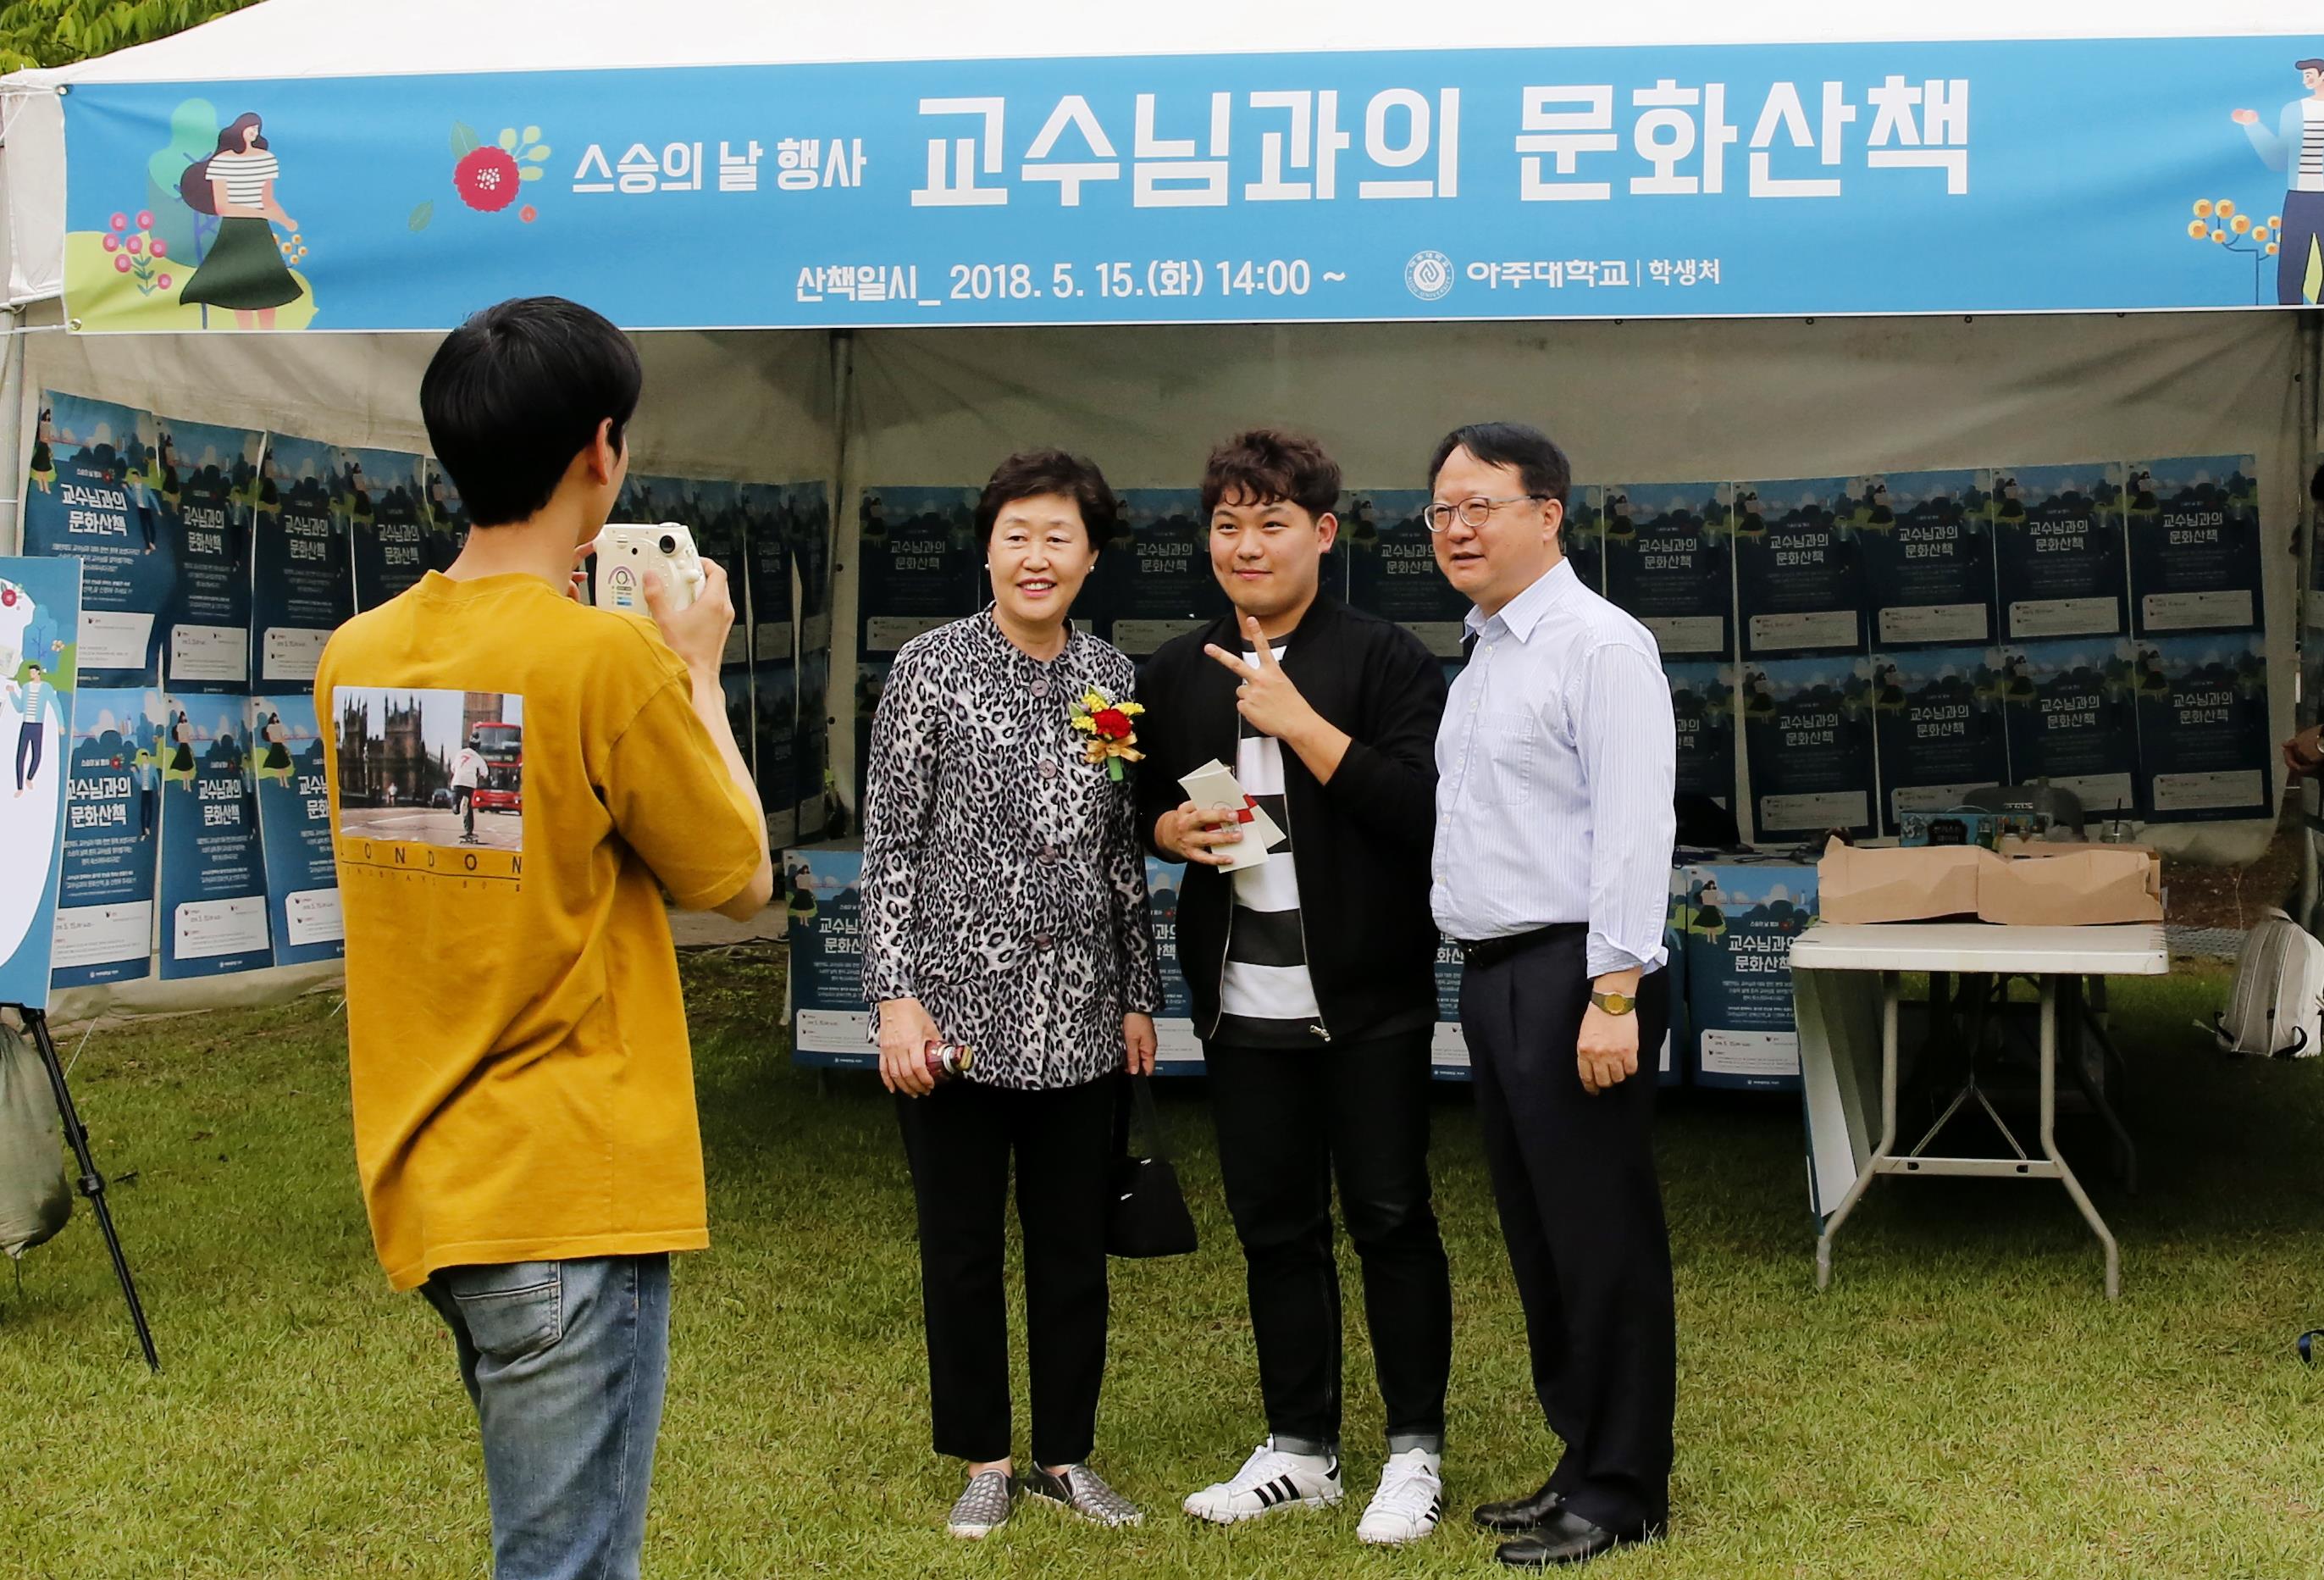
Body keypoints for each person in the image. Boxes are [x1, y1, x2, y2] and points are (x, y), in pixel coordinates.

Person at [313, 296, 772, 1580]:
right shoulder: (605, 662)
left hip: (438, 1173)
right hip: (566, 1183)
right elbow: (739, 876)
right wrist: (696, 673)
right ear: (601, 450)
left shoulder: (358, 656)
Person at [1133, 430, 1455, 1545]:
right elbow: (1135, 804)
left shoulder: (1386, 660)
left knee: (1390, 1217)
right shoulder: (1175, 671)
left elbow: (1421, 814)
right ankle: (1299, 1447)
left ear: (1321, 532)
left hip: (1368, 1001)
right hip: (1240, 1003)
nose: (1246, 544)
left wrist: (1302, 723)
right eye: (1227, 524)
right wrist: (1168, 830)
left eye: (1271, 522)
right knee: (1274, 1227)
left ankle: (1413, 1450)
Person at [860, 449, 1162, 1540]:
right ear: (987, 549)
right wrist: (894, 995)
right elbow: (889, 843)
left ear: (1090, 557)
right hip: (953, 1017)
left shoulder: (1110, 679)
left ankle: (1065, 1454)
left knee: (1072, 1248)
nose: (1036, 556)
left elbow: (1119, 850)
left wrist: (1137, 993)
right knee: (961, 1246)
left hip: (1080, 1012)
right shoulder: (928, 668)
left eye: (1057, 537)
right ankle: (983, 1456)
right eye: (1016, 535)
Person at [1425, 422, 1678, 1569]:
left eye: (1480, 505)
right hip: (1494, 975)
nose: (1457, 528)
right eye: (1442, 510)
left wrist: (1612, 994)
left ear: (1547, 514)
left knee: (1600, 1236)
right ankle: (1579, 1458)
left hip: (1577, 972)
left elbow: (1632, 825)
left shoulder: (1598, 644)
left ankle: (1623, 1488)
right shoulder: (1486, 650)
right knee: (1542, 1238)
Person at [180, 113, 303, 330]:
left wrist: (285, 220)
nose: (254, 132)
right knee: (239, 287)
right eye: (251, 127)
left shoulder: (266, 159)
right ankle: (245, 333)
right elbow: (223, 206)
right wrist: (263, 214)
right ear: (239, 129)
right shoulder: (222, 162)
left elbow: (267, 200)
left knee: (268, 284)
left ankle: (268, 334)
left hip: (259, 232)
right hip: (234, 229)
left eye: (257, 128)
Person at [2233, 56, 2324, 307]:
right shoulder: (2293, 110)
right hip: (2299, 198)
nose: (2305, 80)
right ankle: (2292, 319)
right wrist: (2253, 126)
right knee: (2292, 266)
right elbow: (2277, 159)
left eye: (2309, 75)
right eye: (2304, 76)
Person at [10, 662, 61, 796]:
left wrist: (60, 724)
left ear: (38, 672)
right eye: (30, 672)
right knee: (20, 756)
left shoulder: (46, 687)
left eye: (33, 672)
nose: (31, 674)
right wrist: (12, 693)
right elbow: (20, 708)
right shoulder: (26, 687)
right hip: (26, 724)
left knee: (37, 754)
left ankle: (29, 778)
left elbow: (55, 704)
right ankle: (19, 787)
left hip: (38, 726)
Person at [451, 735, 486, 842]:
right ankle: (469, 831)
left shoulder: (460, 753)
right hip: (470, 783)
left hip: (457, 781)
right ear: (478, 746)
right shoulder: (478, 757)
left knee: (456, 802)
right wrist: (479, 776)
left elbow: (453, 768)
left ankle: (456, 806)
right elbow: (485, 773)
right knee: (468, 807)